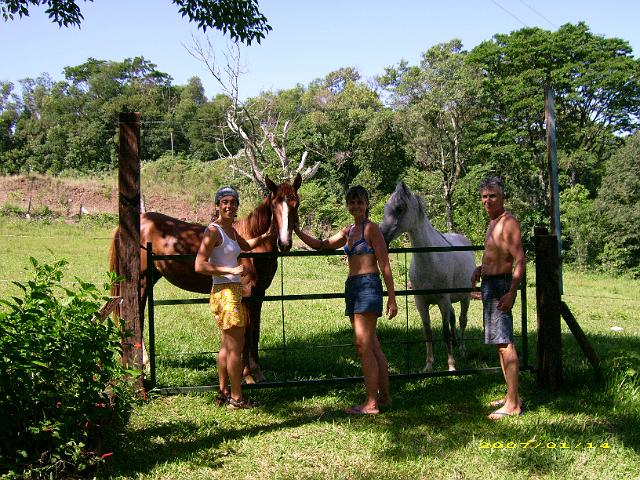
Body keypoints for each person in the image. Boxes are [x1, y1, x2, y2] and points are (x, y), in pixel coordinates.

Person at [294, 186, 398, 414]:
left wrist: (392, 297)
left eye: (359, 202)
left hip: (368, 286)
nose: (355, 206)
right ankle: (384, 398)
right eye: (351, 203)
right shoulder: (348, 231)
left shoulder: (372, 229)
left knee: (363, 346)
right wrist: (297, 231)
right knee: (372, 345)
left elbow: (385, 263)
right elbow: (322, 245)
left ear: (367, 204)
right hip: (352, 287)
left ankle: (370, 403)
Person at [195, 186, 272, 410]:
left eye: (233, 202)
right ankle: (237, 398)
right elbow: (199, 265)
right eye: (224, 202)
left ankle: (223, 392)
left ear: (238, 206)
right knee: (236, 348)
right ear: (217, 205)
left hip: (232, 291)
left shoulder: (231, 231)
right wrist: (231, 271)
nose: (229, 206)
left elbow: (247, 246)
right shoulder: (214, 230)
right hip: (225, 292)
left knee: (226, 346)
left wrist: (267, 235)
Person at [471, 176, 525, 420]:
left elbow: (519, 259)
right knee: (499, 344)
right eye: (484, 196)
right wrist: (479, 270)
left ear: (502, 197)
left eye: (493, 196)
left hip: (502, 286)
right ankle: (511, 395)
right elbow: (495, 255)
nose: (488, 200)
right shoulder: (493, 223)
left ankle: (513, 405)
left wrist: (512, 291)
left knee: (506, 344)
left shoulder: (508, 222)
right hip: (490, 285)